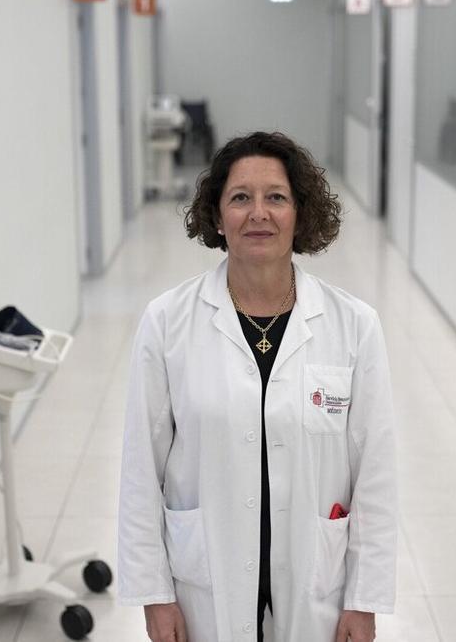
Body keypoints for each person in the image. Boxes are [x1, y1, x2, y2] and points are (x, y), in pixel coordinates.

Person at [117, 132, 397, 642]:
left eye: (276, 197)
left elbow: (376, 474)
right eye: (240, 198)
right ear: (217, 217)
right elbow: (140, 469)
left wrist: (363, 600)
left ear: (300, 213)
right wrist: (155, 595)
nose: (259, 213)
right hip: (206, 583)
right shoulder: (167, 322)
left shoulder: (354, 326)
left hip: (318, 586)